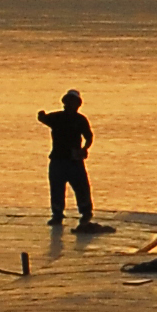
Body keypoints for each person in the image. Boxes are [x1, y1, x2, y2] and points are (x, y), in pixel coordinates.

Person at [39, 89, 100, 230]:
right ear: (65, 103)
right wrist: (41, 115)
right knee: (57, 189)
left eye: (73, 102)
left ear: (78, 104)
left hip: (74, 160)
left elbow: (89, 137)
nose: (71, 105)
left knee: (81, 187)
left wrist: (84, 149)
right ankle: (57, 215)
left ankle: (85, 213)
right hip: (58, 159)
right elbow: (43, 119)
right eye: (69, 102)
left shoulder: (80, 120)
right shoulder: (57, 117)